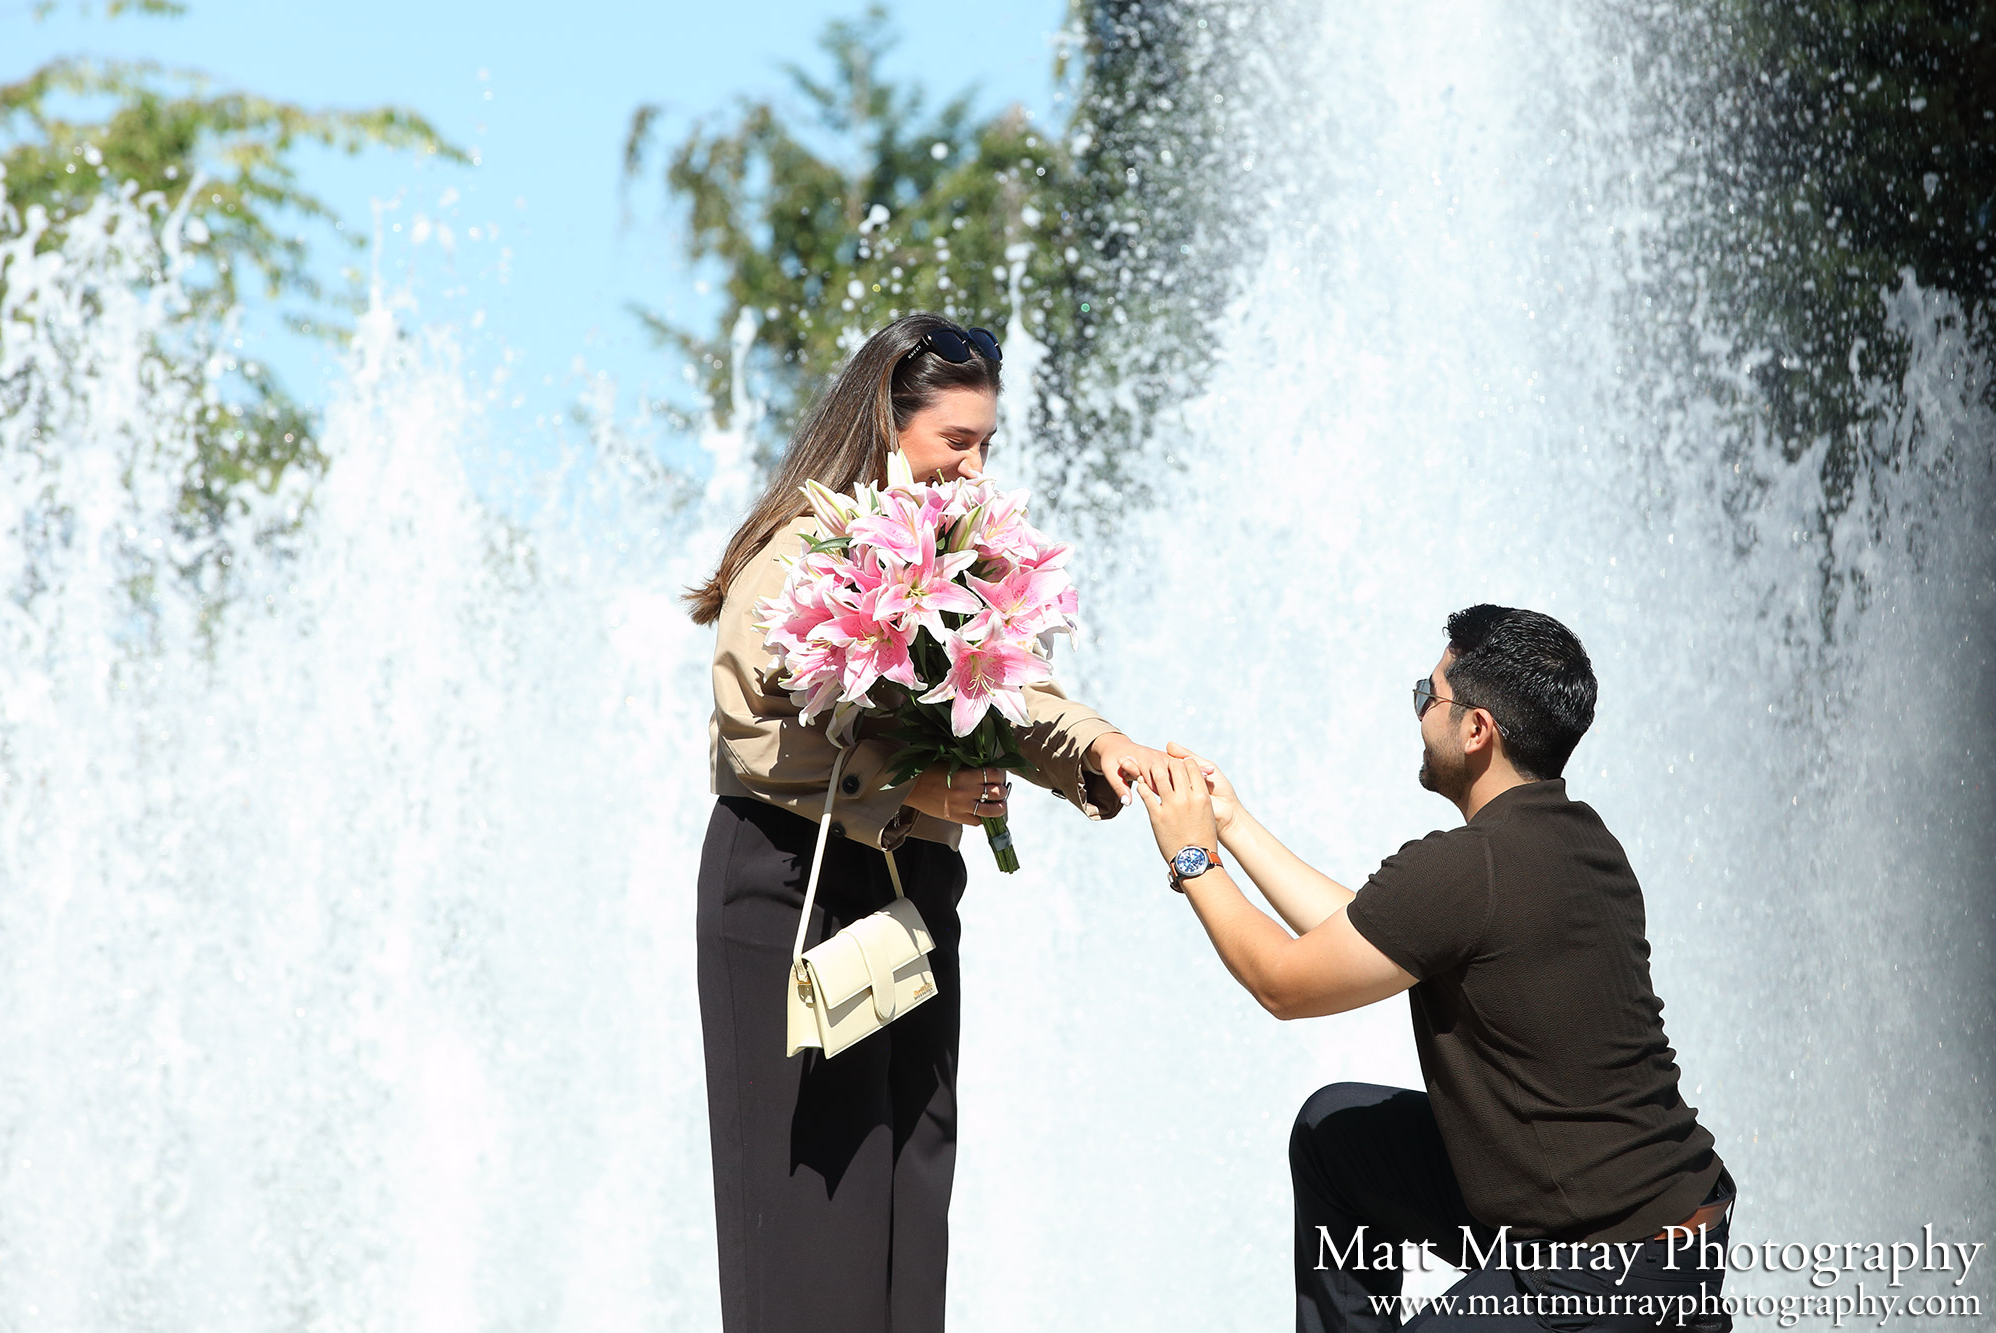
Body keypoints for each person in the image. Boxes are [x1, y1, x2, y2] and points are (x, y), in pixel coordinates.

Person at [685, 312, 1171, 1333]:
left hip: (910, 903)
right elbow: (748, 729)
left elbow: (1008, 689)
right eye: (956, 443)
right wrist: (903, 789)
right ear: (885, 424)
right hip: (791, 894)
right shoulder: (794, 555)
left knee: (910, 1203)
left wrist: (1098, 747)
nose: (972, 469)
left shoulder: (963, 552)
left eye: (985, 444)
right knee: (813, 1222)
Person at [1134, 605, 1734, 1332]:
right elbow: (1368, 931)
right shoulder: (1577, 839)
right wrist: (1232, 823)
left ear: (1477, 729)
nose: (1418, 711)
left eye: (1429, 694)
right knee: (1337, 1137)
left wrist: (1192, 857)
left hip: (1603, 1260)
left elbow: (1282, 984)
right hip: (1669, 1223)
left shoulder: (1465, 867)